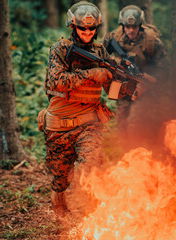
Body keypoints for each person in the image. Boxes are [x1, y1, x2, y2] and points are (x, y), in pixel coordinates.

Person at [40, 1, 137, 218]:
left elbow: (109, 88)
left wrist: (127, 88)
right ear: (73, 26)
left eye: (91, 29)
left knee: (91, 165)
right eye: (82, 28)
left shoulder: (100, 51)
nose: (87, 32)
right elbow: (56, 82)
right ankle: (59, 199)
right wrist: (91, 74)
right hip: (60, 123)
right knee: (61, 176)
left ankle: (93, 214)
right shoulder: (61, 49)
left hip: (89, 122)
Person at [101, 5, 168, 143]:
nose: (131, 30)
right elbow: (98, 55)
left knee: (139, 124)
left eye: (135, 27)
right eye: (127, 27)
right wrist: (114, 62)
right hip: (123, 87)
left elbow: (164, 70)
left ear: (140, 26)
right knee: (123, 122)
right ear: (123, 25)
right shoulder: (114, 38)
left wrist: (150, 81)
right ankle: (127, 154)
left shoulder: (152, 42)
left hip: (146, 90)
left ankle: (144, 150)